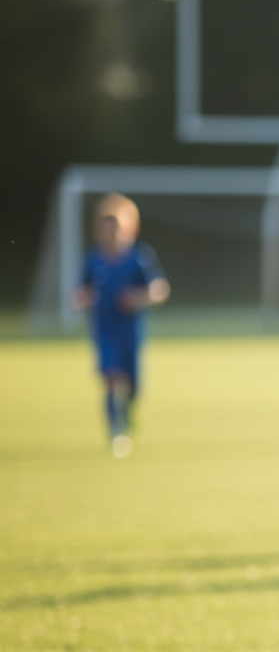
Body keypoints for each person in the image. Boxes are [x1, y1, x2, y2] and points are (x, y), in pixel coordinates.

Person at [76, 193, 170, 458]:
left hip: (131, 332)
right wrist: (82, 297)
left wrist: (138, 297)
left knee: (133, 385)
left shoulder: (139, 258)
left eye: (118, 225)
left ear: (131, 228)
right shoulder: (94, 259)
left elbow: (159, 289)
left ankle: (129, 412)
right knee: (110, 379)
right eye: (108, 225)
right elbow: (82, 288)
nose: (113, 232)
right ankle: (115, 433)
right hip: (104, 331)